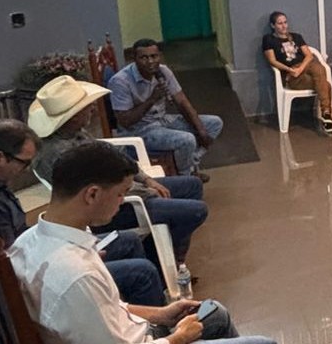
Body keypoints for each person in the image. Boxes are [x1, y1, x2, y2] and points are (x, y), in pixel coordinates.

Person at [11, 142, 332, 344]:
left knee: (214, 314)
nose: (121, 202)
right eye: (120, 194)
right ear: (92, 194)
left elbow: (99, 311)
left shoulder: (32, 241)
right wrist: (177, 339)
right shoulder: (74, 274)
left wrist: (159, 313)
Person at [0, 121, 163, 343]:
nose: (27, 171)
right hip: (12, 299)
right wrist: (71, 257)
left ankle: (123, 323)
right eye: (24, 163)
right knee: (140, 273)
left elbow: (21, 248)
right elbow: (15, 269)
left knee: (127, 240)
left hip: (26, 268)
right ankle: (149, 342)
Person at [28, 75, 209, 261]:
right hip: (116, 206)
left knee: (192, 185)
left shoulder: (76, 133)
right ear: (73, 117)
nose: (92, 109)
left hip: (127, 190)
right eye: (86, 107)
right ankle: (159, 260)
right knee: (196, 211)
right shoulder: (56, 155)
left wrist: (147, 179)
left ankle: (171, 255)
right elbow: (96, 192)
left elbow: (115, 158)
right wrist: (147, 192)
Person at [108, 40, 224, 182]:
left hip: (162, 120)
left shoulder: (163, 71)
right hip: (139, 130)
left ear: (160, 56)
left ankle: (190, 163)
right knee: (187, 140)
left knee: (214, 123)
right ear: (134, 59)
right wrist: (152, 99)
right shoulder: (120, 81)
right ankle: (185, 178)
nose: (150, 61)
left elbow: (182, 102)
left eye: (154, 56)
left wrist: (201, 130)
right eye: (144, 57)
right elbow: (125, 121)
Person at [262, 11, 332, 133]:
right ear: (272, 25)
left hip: (303, 66)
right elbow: (272, 61)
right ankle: (326, 113)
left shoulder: (296, 37)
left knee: (318, 67)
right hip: (291, 75)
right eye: (280, 23)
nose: (284, 26)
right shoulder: (268, 39)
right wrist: (289, 70)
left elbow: (309, 56)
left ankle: (326, 113)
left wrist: (300, 69)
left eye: (285, 22)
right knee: (325, 85)